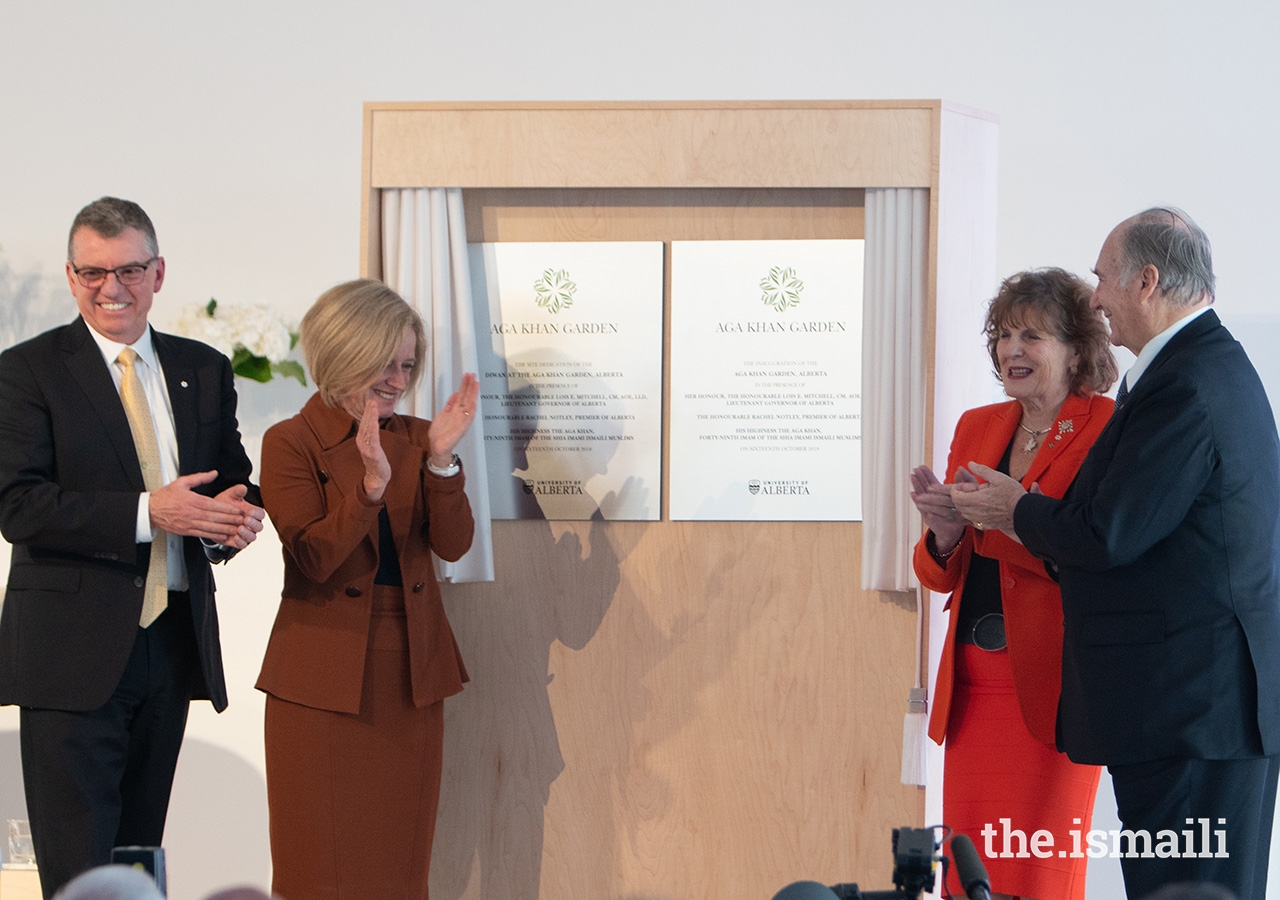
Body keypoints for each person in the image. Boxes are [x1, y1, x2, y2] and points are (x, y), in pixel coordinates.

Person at [953, 208, 1280, 900]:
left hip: (1188, 715)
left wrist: (1015, 508)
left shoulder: (1186, 384)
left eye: (1103, 278)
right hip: (1193, 713)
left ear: (1148, 281)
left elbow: (1110, 532)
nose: (1096, 297)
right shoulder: (1200, 367)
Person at [0, 197, 265, 898]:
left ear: (158, 273)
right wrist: (153, 511)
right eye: (92, 272)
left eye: (128, 270)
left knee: (140, 856)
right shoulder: (25, 372)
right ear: (69, 274)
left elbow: (232, 481)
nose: (110, 287)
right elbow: (18, 505)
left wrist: (234, 524)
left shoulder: (203, 368)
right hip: (69, 654)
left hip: (169, 646)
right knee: (81, 869)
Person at [255, 279, 479, 900]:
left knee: (401, 874)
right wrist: (370, 489)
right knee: (315, 871)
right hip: (320, 678)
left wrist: (440, 463)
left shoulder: (418, 436)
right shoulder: (289, 442)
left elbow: (454, 545)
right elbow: (314, 556)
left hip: (411, 672)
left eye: (408, 364)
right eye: (386, 361)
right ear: (344, 350)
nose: (398, 378)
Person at [911, 267, 1117, 900]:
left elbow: (1097, 555)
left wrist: (1008, 519)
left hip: (1056, 690)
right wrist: (944, 534)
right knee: (970, 873)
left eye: (1032, 335)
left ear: (1077, 349)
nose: (1011, 350)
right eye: (1003, 335)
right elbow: (940, 573)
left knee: (1036, 871)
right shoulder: (978, 425)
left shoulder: (1107, 426)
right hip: (972, 688)